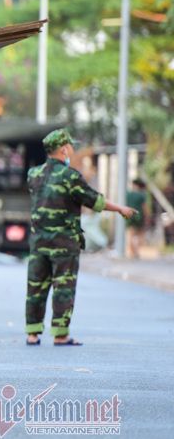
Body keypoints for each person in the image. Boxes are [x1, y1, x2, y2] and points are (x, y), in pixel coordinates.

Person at [25, 129, 136, 346]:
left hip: (38, 242)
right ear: (64, 149)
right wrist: (120, 208)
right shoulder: (71, 177)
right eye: (71, 147)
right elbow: (95, 201)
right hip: (64, 244)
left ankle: (32, 333)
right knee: (63, 288)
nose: (73, 150)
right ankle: (60, 334)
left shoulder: (33, 175)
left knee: (35, 287)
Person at [125, 178, 150, 259]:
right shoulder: (142, 195)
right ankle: (136, 251)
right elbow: (145, 207)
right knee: (139, 235)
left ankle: (132, 252)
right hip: (139, 216)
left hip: (129, 215)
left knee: (130, 234)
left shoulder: (128, 194)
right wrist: (147, 217)